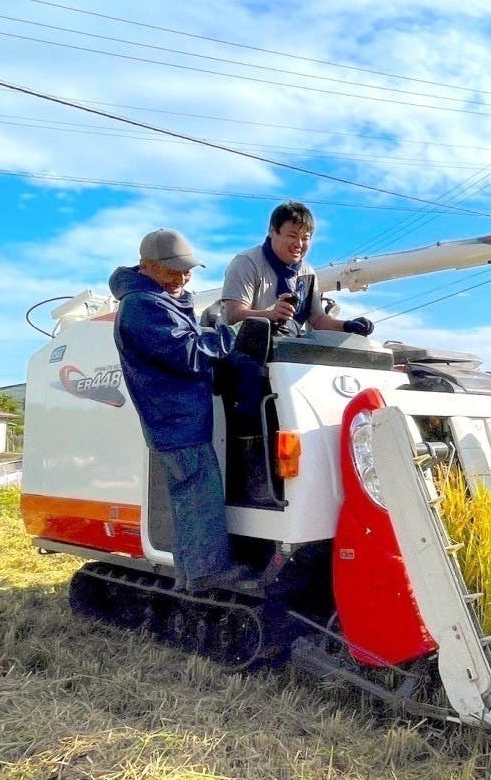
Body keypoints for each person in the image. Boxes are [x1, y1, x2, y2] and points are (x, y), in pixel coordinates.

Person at [109, 229, 253, 593]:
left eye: (187, 271)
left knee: (190, 498)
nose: (182, 278)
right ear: (146, 266)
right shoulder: (142, 305)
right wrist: (224, 332)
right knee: (197, 498)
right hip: (176, 421)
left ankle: (192, 576)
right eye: (172, 271)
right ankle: (205, 574)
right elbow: (188, 355)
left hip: (178, 419)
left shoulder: (157, 299)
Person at [221, 200, 374, 336]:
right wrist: (271, 315)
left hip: (286, 353)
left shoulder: (308, 274)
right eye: (293, 236)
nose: (299, 244)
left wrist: (348, 326)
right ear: (272, 232)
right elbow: (233, 315)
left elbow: (318, 319)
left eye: (305, 238)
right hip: (242, 350)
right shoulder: (246, 263)